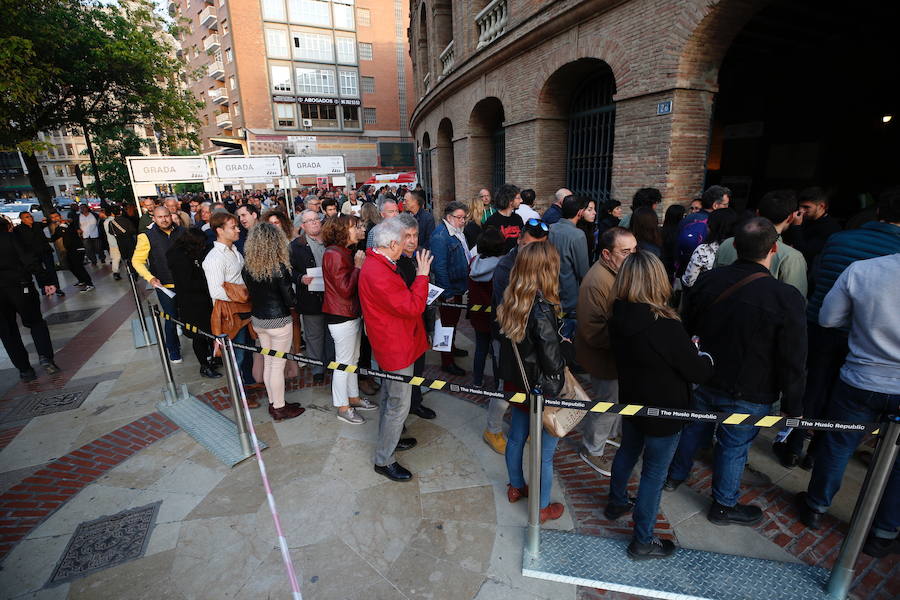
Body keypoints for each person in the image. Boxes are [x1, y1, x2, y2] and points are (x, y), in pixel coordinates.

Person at [665, 218, 807, 527]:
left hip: (704, 375)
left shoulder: (708, 280)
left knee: (692, 429)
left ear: (736, 246)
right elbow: (793, 357)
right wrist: (793, 406)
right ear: (773, 249)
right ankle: (724, 505)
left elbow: (688, 326)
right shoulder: (785, 297)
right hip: (750, 389)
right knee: (733, 447)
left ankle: (673, 477)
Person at [778, 186, 900, 469]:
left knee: (812, 389)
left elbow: (818, 277)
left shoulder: (838, 239)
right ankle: (815, 455)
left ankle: (793, 446)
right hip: (869, 338)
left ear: (878, 212)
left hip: (822, 326)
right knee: (841, 403)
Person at [606, 251, 714, 560]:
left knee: (627, 450)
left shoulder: (617, 315)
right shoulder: (664, 325)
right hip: (665, 410)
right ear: (656, 281)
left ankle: (616, 502)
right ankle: (642, 540)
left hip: (632, 402)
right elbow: (697, 372)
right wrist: (704, 357)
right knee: (653, 474)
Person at [796, 253, 900, 558]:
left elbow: (829, 318)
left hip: (861, 375)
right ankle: (883, 531)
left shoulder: (864, 270)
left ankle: (816, 505)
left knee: (839, 444)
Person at [497, 242, 567, 523]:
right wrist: (568, 349)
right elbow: (552, 362)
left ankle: (516, 486)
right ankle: (541, 506)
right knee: (545, 454)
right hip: (541, 391)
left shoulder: (511, 299)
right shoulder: (540, 308)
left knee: (516, 438)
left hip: (518, 385)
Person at [358, 219, 432, 481]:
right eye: (402, 241)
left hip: (394, 342)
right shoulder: (378, 272)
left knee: (392, 398)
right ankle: (384, 459)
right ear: (391, 244)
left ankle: (391, 439)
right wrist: (422, 276)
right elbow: (412, 307)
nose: (406, 246)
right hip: (394, 346)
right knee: (398, 404)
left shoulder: (378, 263)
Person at [483, 218, 550, 454]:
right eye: (531, 245)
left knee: (529, 385)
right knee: (505, 384)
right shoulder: (505, 267)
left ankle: (524, 427)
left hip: (530, 338)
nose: (536, 252)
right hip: (508, 337)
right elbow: (508, 309)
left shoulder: (543, 260)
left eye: (540, 246)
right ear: (520, 239)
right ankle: (492, 430)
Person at [574, 227, 638, 475]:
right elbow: (593, 331)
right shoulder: (596, 282)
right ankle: (592, 449)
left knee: (616, 401)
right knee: (606, 404)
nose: (632, 256)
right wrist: (629, 342)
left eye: (635, 250)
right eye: (625, 252)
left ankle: (608, 436)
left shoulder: (620, 271)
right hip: (605, 359)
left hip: (618, 358)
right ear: (607, 254)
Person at [242, 224, 305, 422]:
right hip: (278, 321)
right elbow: (290, 299)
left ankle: (274, 402)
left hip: (259, 320)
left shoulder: (248, 267)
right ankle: (279, 407)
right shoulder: (278, 268)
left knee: (270, 363)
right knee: (277, 365)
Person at [322, 214, 376, 424]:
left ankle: (353, 397)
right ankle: (342, 406)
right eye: (355, 226)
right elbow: (344, 289)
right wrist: (358, 267)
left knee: (351, 360)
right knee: (343, 362)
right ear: (342, 230)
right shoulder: (334, 254)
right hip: (340, 314)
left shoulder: (342, 251)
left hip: (348, 312)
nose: (359, 229)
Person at [202, 211, 258, 399]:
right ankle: (239, 396)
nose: (238, 230)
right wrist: (244, 292)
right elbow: (216, 292)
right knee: (238, 357)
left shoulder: (234, 250)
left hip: (244, 310)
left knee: (248, 352)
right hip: (230, 314)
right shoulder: (214, 258)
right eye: (233, 227)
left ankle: (248, 385)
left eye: (237, 226)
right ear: (219, 230)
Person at [714, 190, 808, 296]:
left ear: (757, 213)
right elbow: (796, 302)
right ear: (790, 218)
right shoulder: (791, 257)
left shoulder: (726, 244)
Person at [0, 225, 60, 381]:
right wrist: (45, 279)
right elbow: (27, 259)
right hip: (20, 286)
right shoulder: (10, 238)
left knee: (8, 332)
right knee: (36, 323)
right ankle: (46, 357)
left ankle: (25, 370)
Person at [395, 213, 436, 419]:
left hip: (420, 321)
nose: (412, 241)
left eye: (415, 235)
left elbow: (430, 291)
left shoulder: (422, 254)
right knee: (401, 376)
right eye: (407, 236)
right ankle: (399, 418)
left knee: (419, 367)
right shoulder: (393, 261)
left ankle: (415, 403)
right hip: (402, 325)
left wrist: (431, 327)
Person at [166, 228, 222, 379]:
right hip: (192, 302)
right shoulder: (180, 257)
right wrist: (207, 284)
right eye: (201, 244)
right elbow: (188, 281)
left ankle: (212, 359)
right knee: (199, 334)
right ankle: (204, 365)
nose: (203, 246)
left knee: (208, 332)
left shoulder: (187, 253)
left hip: (200, 300)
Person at [132, 206, 185, 361]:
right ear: (153, 218)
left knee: (189, 317)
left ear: (171, 216)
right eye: (160, 217)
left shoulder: (182, 232)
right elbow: (137, 261)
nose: (164, 219)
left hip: (184, 283)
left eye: (166, 216)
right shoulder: (146, 236)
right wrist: (150, 278)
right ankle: (173, 350)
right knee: (171, 318)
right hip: (164, 286)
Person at [290, 210, 333, 385]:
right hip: (309, 297)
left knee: (331, 334)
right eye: (310, 221)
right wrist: (300, 278)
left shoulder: (331, 241)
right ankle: (317, 369)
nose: (315, 223)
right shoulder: (295, 246)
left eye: (317, 219)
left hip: (332, 297)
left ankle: (332, 364)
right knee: (313, 336)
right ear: (303, 226)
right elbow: (288, 271)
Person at [429, 201, 471, 376]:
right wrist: (447, 293)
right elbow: (439, 267)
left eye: (464, 218)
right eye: (459, 217)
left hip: (458, 285)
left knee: (452, 323)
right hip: (449, 288)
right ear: (449, 217)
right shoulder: (440, 236)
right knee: (446, 325)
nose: (462, 221)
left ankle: (451, 348)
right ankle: (447, 361)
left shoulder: (456, 231)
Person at [467, 228, 506, 388]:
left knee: (480, 349)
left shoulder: (473, 262)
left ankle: (477, 380)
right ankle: (498, 384)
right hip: (496, 316)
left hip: (478, 315)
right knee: (497, 352)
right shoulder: (502, 266)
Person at [548, 195, 590, 341]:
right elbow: (583, 272)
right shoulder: (577, 235)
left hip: (550, 293)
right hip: (569, 299)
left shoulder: (551, 228)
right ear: (579, 212)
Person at [784, 186, 843, 274]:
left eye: (806, 207)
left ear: (821, 206)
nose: (801, 210)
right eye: (799, 206)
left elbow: (805, 252)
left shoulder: (830, 228)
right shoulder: (805, 220)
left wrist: (796, 227)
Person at [675, 185, 730, 277]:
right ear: (715, 205)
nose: (727, 208)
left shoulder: (686, 219)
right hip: (700, 276)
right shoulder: (714, 224)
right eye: (725, 204)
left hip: (680, 270)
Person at [681, 207, 738, 288]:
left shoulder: (703, 250)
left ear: (713, 227)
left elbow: (689, 281)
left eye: (708, 224)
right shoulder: (743, 249)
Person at [14, 212, 61, 294]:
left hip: (45, 251)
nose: (30, 218)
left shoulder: (37, 225)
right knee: (38, 272)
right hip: (32, 254)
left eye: (31, 216)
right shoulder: (18, 229)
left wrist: (49, 219)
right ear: (22, 219)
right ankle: (44, 288)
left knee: (51, 270)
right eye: (27, 217)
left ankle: (56, 288)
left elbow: (48, 222)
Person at [49, 212, 94, 292]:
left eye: (56, 216)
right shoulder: (58, 228)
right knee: (71, 266)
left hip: (77, 248)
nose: (55, 218)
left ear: (60, 216)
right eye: (52, 217)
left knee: (78, 267)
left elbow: (72, 223)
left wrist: (66, 223)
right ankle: (82, 280)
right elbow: (54, 238)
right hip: (70, 250)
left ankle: (89, 284)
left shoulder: (67, 224)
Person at [485, 184, 524, 252]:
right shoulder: (492, 221)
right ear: (510, 200)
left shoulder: (518, 219)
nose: (521, 201)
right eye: (518, 198)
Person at [660, 204, 686, 280]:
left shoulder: (660, 231)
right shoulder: (680, 233)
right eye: (684, 216)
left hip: (662, 267)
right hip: (673, 269)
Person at [576, 197, 598, 263]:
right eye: (589, 210)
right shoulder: (578, 231)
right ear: (580, 211)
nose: (594, 213)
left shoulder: (591, 227)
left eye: (594, 209)